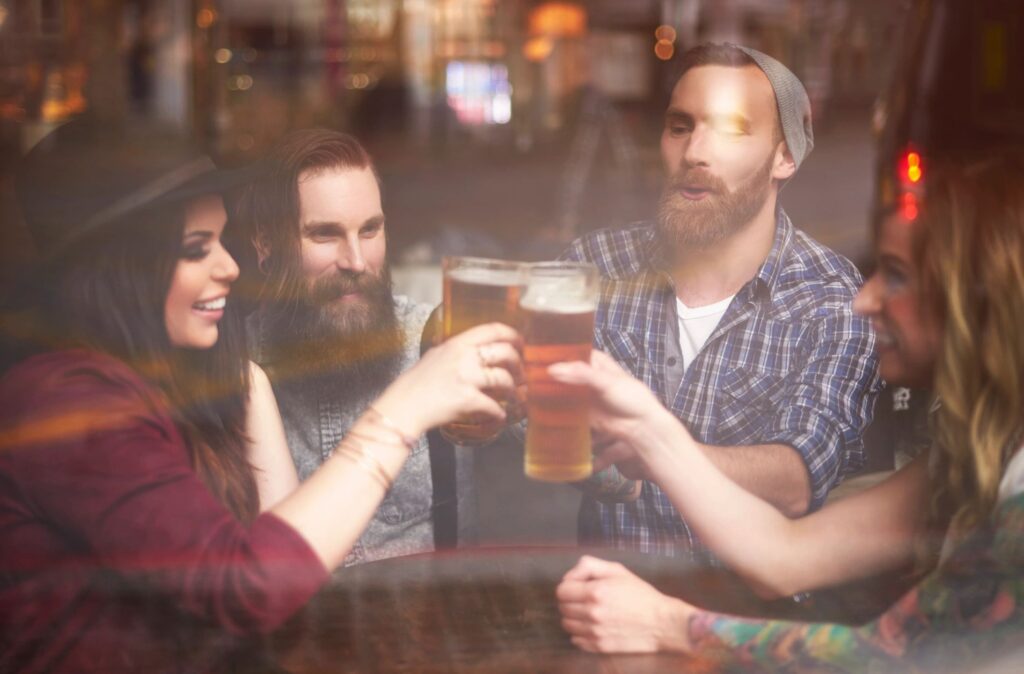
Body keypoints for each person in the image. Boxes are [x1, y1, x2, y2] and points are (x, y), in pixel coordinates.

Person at [0, 118, 520, 673]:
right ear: (124, 270)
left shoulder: (204, 378)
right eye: (197, 249)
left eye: (371, 229)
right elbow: (245, 588)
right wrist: (402, 410)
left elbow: (286, 597)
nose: (229, 267)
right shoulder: (68, 402)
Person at [554, 154, 1024, 671]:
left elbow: (891, 655)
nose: (863, 301)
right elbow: (785, 558)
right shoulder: (978, 453)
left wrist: (671, 625)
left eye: (896, 276)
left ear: (981, 301)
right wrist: (650, 429)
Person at [562, 43, 879, 557]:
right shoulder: (594, 265)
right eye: (680, 126)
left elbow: (800, 478)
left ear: (786, 156)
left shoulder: (830, 300)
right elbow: (534, 406)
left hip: (751, 622)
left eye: (731, 129)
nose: (694, 153)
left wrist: (652, 447)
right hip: (609, 606)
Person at [233, 129, 474, 563]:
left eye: (370, 230)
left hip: (428, 625)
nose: (356, 261)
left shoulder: (438, 341)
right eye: (325, 235)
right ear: (266, 244)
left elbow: (606, 469)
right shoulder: (230, 369)